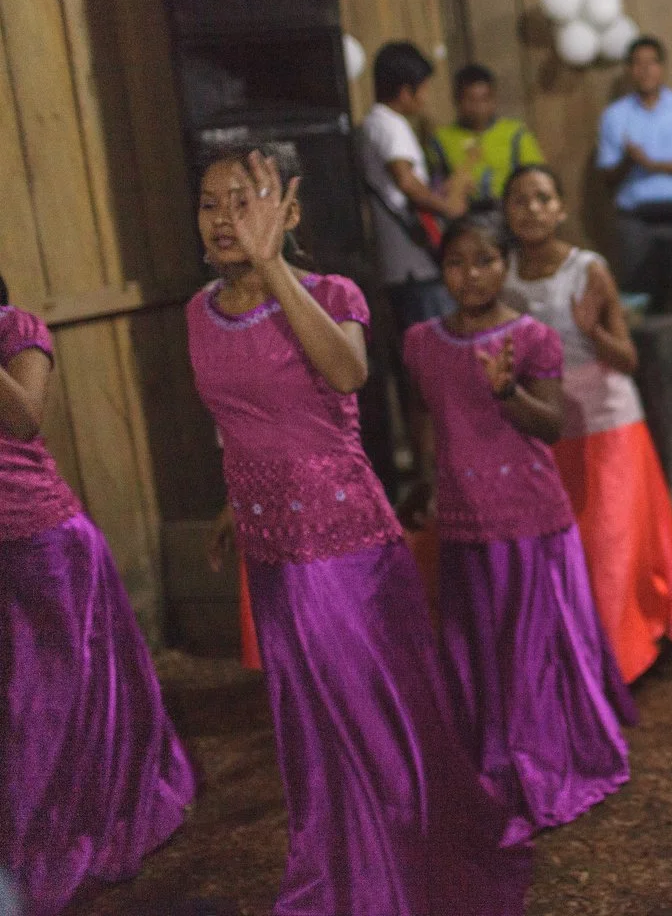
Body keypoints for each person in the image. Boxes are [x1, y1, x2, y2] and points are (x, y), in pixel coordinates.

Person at [187, 145, 530, 914]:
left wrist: (275, 269)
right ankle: (341, 863)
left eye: (242, 200)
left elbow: (346, 374)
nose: (222, 219)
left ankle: (407, 869)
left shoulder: (334, 293)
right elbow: (241, 428)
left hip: (343, 547)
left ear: (289, 212)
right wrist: (230, 508)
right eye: (209, 204)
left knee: (377, 716)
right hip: (271, 549)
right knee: (309, 725)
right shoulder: (195, 314)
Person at [403, 217, 636, 834]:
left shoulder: (532, 337)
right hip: (462, 521)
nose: (470, 275)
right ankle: (488, 761)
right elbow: (428, 420)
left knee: (528, 652)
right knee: (476, 648)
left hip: (528, 520)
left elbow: (551, 424)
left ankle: (542, 760)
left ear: (504, 265)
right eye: (456, 263)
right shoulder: (421, 342)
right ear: (441, 269)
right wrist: (427, 484)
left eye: (483, 261)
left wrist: (507, 390)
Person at [0, 274, 195, 916]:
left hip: (42, 546)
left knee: (49, 703)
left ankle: (53, 839)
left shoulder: (18, 329)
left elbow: (24, 418)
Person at [501, 165, 672, 683]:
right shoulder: (502, 278)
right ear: (506, 213)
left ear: (561, 209)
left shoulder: (588, 269)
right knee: (572, 550)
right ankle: (577, 655)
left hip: (608, 419)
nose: (532, 209)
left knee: (610, 544)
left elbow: (629, 357)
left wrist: (594, 332)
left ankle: (617, 662)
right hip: (546, 424)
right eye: (520, 200)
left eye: (543, 198)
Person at [596, 37, 672, 390]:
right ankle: (646, 384)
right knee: (640, 302)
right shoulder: (615, 116)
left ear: (662, 67)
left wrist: (652, 163)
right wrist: (628, 160)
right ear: (629, 70)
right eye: (637, 63)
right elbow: (607, 176)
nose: (645, 69)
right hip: (637, 218)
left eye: (652, 62)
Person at [362, 41, 474, 331]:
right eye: (423, 88)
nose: (426, 97)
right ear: (405, 91)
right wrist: (447, 207)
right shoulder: (391, 125)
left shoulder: (374, 124)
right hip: (414, 265)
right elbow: (406, 181)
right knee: (437, 346)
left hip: (401, 264)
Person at [430, 63, 546, 207]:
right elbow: (435, 185)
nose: (478, 107)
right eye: (471, 100)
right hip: (464, 217)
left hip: (510, 213)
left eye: (485, 99)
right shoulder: (441, 139)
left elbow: (537, 178)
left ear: (494, 99)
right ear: (457, 100)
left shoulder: (515, 133)